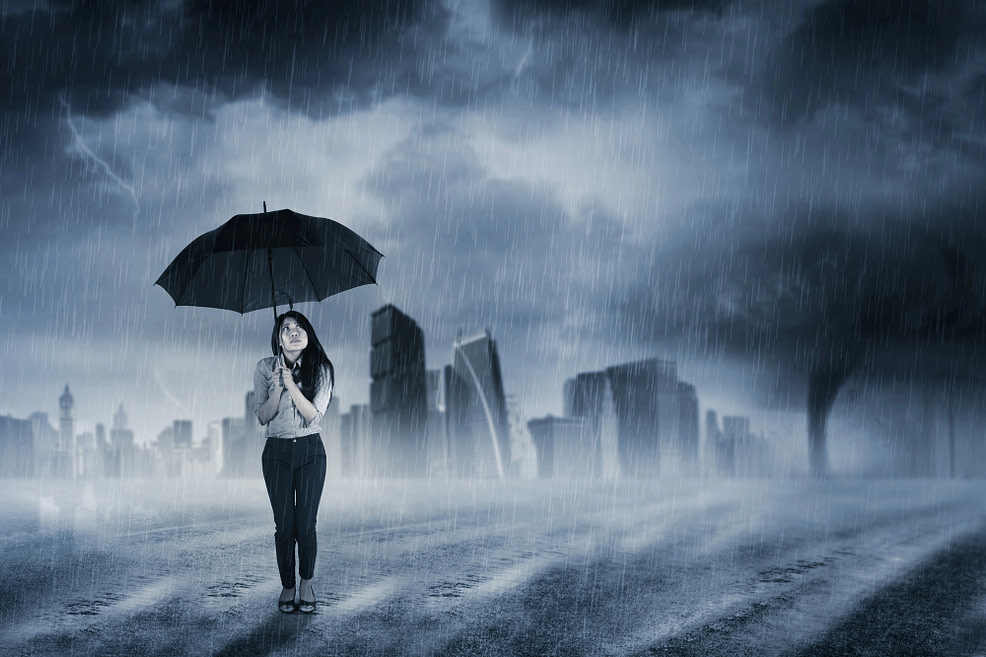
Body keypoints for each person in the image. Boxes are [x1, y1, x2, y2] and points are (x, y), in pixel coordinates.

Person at [254, 310, 334, 613]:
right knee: (284, 526)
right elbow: (262, 417)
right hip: (276, 453)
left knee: (306, 526)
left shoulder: (321, 368)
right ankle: (288, 585)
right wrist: (276, 389)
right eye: (286, 328)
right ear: (278, 338)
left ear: (308, 334)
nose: (293, 332)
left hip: (311, 452)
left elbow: (314, 415)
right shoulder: (265, 368)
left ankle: (306, 583)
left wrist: (292, 385)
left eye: (299, 327)